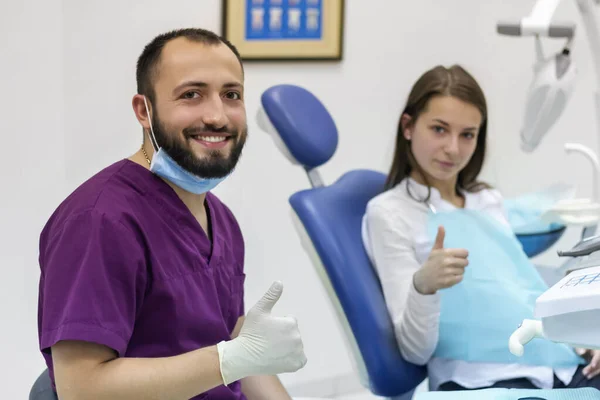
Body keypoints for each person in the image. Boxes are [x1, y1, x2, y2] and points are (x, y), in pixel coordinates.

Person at [36, 28, 306, 400]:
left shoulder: (220, 218)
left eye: (231, 95)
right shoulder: (99, 220)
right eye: (191, 95)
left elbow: (233, 338)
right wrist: (229, 360)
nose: (217, 115)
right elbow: (80, 388)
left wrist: (241, 356)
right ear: (143, 111)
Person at [361, 65, 600, 392]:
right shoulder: (390, 213)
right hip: (480, 381)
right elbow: (414, 351)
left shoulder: (486, 200)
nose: (453, 149)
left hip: (557, 365)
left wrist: (583, 341)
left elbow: (521, 295)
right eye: (439, 129)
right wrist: (423, 287)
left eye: (467, 135)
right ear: (408, 126)